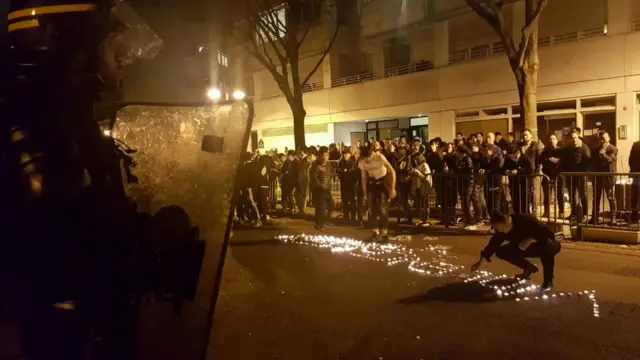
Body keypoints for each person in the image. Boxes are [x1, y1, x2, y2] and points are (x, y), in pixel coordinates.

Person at [470, 212, 561, 293]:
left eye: (496, 227)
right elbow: (493, 245)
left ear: (503, 223)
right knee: (501, 252)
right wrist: (480, 261)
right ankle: (529, 267)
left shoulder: (524, 220)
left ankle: (548, 281)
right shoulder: (501, 231)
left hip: (543, 242)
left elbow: (547, 233)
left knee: (547, 248)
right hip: (522, 247)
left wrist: (529, 240)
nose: (496, 230)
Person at [359, 144, 397, 242]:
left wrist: (392, 188)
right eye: (365, 157)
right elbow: (363, 177)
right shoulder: (362, 161)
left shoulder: (380, 157)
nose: (367, 159)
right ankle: (375, 232)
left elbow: (392, 171)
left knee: (383, 209)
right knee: (371, 209)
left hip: (382, 184)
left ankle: (384, 233)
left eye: (368, 157)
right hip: (372, 184)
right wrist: (365, 193)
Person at [562, 130, 591, 221]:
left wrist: (585, 172)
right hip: (570, 175)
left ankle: (585, 213)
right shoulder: (568, 148)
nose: (574, 140)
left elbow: (588, 160)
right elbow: (564, 160)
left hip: (581, 175)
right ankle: (573, 213)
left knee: (583, 194)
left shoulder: (584, 147)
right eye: (572, 138)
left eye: (575, 137)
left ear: (578, 137)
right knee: (571, 194)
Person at [591, 131, 618, 224]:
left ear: (609, 138)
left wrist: (603, 154)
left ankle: (613, 218)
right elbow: (593, 163)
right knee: (596, 198)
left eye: (604, 139)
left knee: (611, 198)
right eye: (600, 139)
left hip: (608, 177)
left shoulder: (613, 148)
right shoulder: (596, 149)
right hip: (598, 176)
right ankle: (594, 217)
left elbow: (610, 159)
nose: (602, 141)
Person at [540, 134, 565, 219]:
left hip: (558, 175)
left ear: (557, 140)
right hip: (547, 175)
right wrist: (548, 159)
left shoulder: (561, 150)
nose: (552, 141)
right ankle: (546, 212)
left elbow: (565, 160)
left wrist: (559, 160)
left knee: (559, 194)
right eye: (550, 139)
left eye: (553, 139)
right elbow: (539, 160)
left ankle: (561, 212)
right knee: (547, 195)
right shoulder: (545, 151)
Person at [312, 147, 333, 230]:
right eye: (324, 155)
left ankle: (323, 221)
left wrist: (329, 184)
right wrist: (320, 185)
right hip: (320, 190)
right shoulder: (316, 165)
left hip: (327, 189)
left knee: (331, 205)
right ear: (321, 155)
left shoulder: (328, 165)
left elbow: (330, 174)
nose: (326, 157)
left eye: (327, 155)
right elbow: (314, 177)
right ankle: (319, 224)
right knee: (320, 208)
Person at [337, 148, 360, 222]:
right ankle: (346, 215)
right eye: (344, 154)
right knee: (344, 200)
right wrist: (343, 172)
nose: (345, 156)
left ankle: (353, 216)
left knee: (352, 200)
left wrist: (347, 172)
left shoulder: (353, 162)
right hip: (344, 183)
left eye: (347, 154)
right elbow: (338, 171)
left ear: (350, 155)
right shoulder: (341, 162)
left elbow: (355, 173)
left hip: (351, 184)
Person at [394, 146, 413, 225]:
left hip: (406, 181)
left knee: (406, 199)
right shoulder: (396, 159)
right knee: (401, 200)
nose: (396, 153)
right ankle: (405, 216)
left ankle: (409, 218)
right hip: (399, 181)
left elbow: (406, 169)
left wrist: (399, 170)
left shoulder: (407, 158)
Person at [296, 147, 317, 216]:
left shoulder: (312, 162)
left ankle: (302, 209)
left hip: (309, 181)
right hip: (305, 180)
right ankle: (301, 209)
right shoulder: (303, 160)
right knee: (303, 194)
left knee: (305, 194)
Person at [280, 150, 299, 215]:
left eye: (288, 155)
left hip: (293, 182)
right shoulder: (286, 162)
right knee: (286, 195)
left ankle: (293, 208)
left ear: (291, 156)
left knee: (291, 195)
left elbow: (297, 173)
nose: (287, 157)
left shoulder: (296, 163)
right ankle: (286, 208)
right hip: (286, 182)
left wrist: (289, 173)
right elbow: (282, 170)